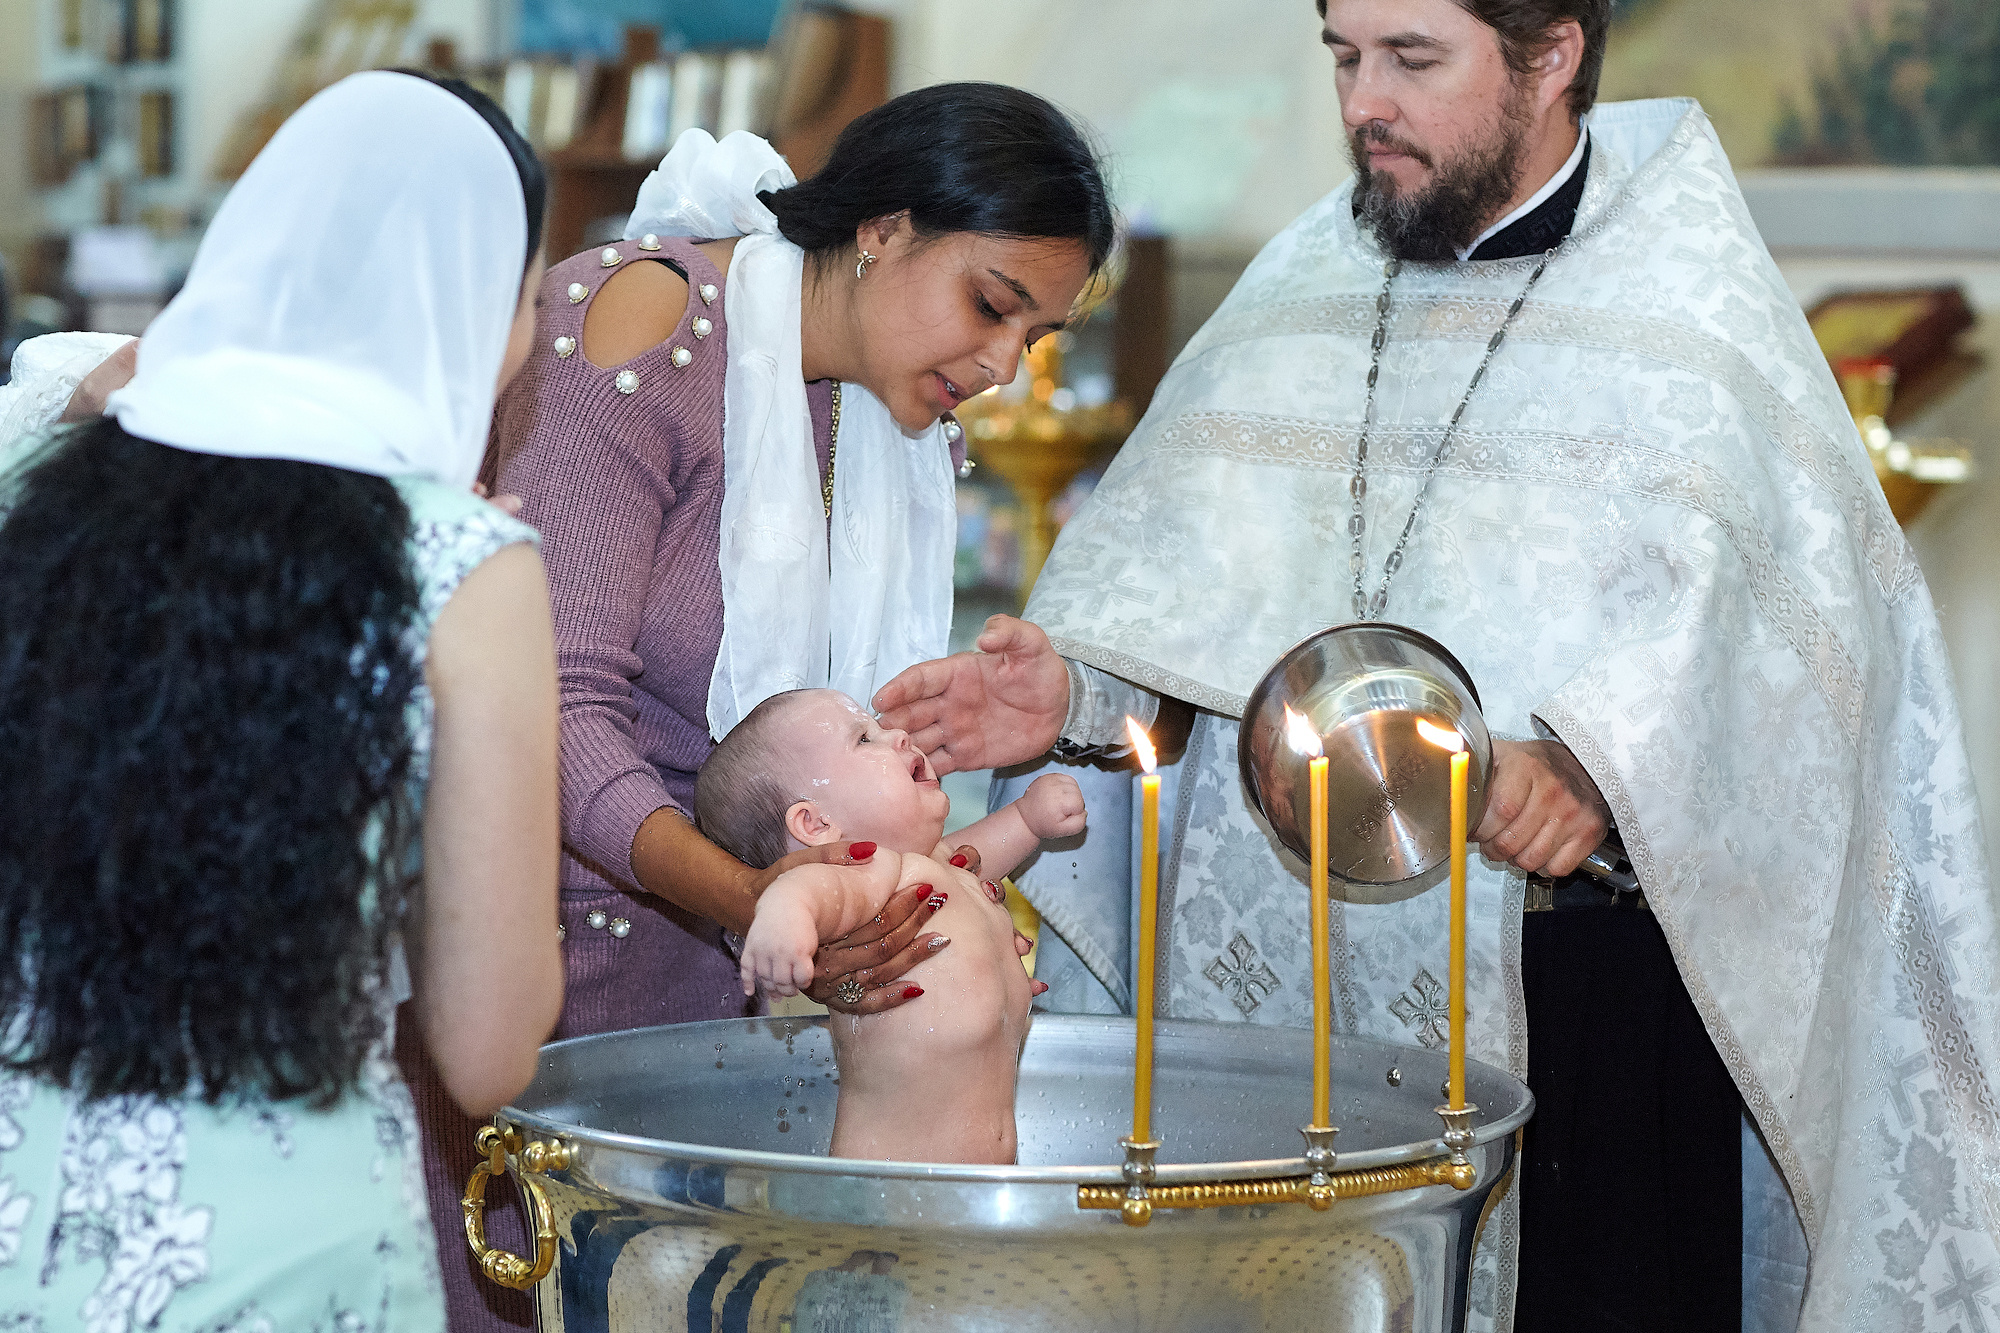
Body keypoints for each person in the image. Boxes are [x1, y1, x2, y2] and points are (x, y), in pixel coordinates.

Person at [873, 3, 2000, 1331]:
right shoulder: (1302, 282)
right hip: (1284, 1016)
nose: (1365, 102)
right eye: (1347, 58)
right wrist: (1083, 693)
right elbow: (1190, 591)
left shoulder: (1692, 308)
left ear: (1554, 55)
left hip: (1587, 1020)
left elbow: (1795, 680)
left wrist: (1603, 772)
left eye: (1414, 60)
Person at [0, 71, 563, 1330]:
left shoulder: (44, 506)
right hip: (289, 1251)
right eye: (527, 295)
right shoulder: (458, 564)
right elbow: (489, 1049)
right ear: (468, 301)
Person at [704, 688, 1084, 1163]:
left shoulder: (937, 867)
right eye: (865, 739)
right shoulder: (868, 875)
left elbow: (978, 852)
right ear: (817, 825)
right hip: (889, 1188)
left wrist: (1028, 819)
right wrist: (783, 916)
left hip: (976, 1184)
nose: (899, 736)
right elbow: (810, 888)